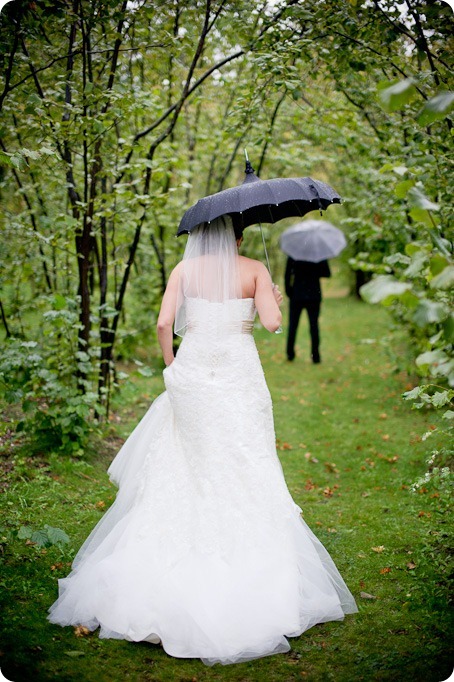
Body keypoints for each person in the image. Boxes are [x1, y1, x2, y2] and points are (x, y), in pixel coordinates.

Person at [48, 216, 357, 666]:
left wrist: (173, 368)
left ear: (201, 236)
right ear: (238, 236)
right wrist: (273, 300)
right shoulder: (255, 268)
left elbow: (162, 324)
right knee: (246, 458)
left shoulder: (183, 271)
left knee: (186, 462)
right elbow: (272, 326)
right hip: (239, 377)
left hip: (192, 372)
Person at [285, 257, 331, 363]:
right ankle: (316, 356)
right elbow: (327, 273)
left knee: (293, 325)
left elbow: (287, 274)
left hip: (297, 294)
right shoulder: (318, 253)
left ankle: (290, 354)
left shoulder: (294, 253)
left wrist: (289, 291)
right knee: (314, 326)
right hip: (313, 294)